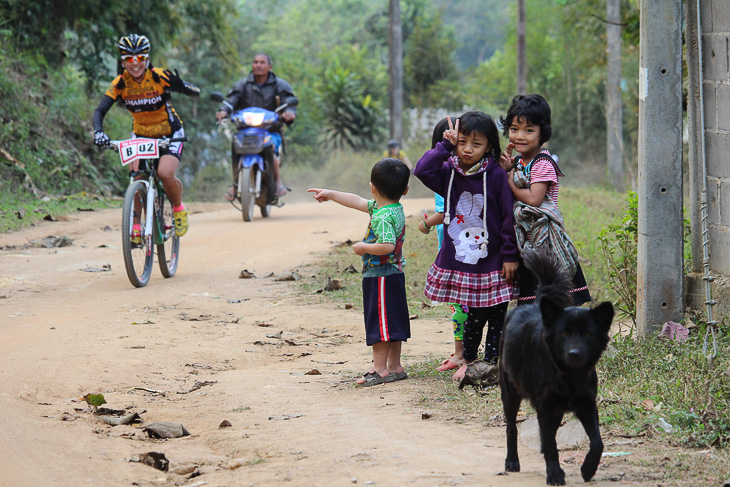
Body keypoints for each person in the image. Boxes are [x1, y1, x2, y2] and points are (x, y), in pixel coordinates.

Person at [413, 111, 519, 380]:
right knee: (473, 314)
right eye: (462, 143)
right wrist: (444, 146)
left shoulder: (495, 175)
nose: (468, 149)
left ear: (489, 147)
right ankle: (469, 360)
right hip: (463, 260)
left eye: (476, 143)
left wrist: (509, 255)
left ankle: (493, 362)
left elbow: (507, 217)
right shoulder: (448, 172)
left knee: (497, 314)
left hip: (494, 260)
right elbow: (422, 170)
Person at [308, 158, 411, 387]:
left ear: (372, 187)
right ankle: (394, 366)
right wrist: (331, 193)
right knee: (392, 322)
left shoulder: (382, 216)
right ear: (405, 189)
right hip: (393, 273)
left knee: (379, 323)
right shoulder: (392, 208)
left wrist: (362, 248)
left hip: (381, 275)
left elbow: (387, 245)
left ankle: (380, 370)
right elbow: (356, 201)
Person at [93, 34, 199, 240]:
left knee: (165, 174)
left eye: (140, 58)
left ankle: (178, 209)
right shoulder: (120, 83)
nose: (135, 64)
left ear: (147, 59)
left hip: (170, 133)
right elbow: (100, 111)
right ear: (123, 61)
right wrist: (98, 132)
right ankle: (135, 228)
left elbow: (196, 91)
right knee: (137, 177)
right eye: (129, 59)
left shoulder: (159, 76)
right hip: (141, 135)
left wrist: (182, 87)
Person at [498, 94, 591, 305]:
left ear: (543, 133)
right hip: (527, 240)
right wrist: (506, 169)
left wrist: (509, 180)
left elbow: (534, 199)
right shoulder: (517, 162)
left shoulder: (543, 163)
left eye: (529, 130)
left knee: (556, 298)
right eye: (514, 129)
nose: (520, 136)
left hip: (546, 240)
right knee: (533, 300)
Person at [417, 117, 468, 373]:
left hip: (455, 252)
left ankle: (461, 354)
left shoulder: (446, 173)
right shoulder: (462, 169)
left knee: (459, 303)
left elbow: (444, 212)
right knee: (468, 303)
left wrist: (425, 224)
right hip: (466, 249)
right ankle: (465, 350)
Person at [216, 53, 297, 200]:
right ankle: (235, 184)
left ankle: (278, 183)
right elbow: (231, 101)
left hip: (271, 131)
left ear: (269, 66)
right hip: (245, 131)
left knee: (270, 147)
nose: (258, 65)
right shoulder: (242, 85)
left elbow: (289, 104)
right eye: (255, 62)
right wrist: (223, 111)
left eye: (262, 62)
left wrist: (289, 113)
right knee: (235, 146)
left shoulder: (280, 85)